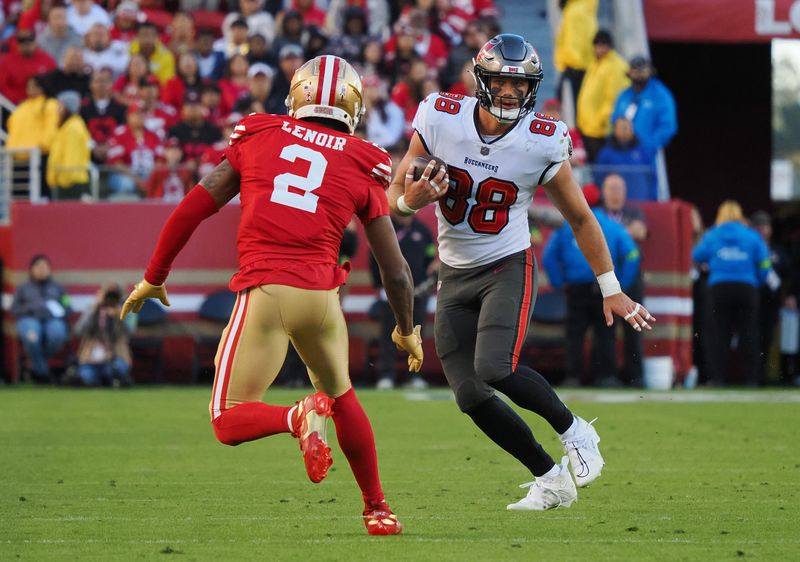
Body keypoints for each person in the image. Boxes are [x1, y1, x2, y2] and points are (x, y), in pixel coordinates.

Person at [120, 55, 421, 535]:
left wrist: (155, 275)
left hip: (267, 289)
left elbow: (190, 210)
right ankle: (378, 509)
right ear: (354, 105)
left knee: (226, 418)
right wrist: (407, 331)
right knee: (342, 396)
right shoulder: (364, 160)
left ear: (297, 93)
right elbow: (397, 271)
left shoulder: (259, 133)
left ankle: (296, 415)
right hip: (322, 300)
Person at [387, 33, 653, 511]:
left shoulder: (543, 138)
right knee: (469, 394)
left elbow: (580, 218)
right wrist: (410, 200)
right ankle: (550, 479)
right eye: (501, 82)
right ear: (481, 80)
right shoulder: (439, 116)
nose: (510, 93)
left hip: (506, 263)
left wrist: (610, 287)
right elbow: (393, 197)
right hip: (453, 270)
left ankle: (576, 432)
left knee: (495, 366)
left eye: (520, 84)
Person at [543, 183, 640, 387]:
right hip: (605, 289)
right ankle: (606, 377)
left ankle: (573, 377)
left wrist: (559, 283)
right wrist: (621, 284)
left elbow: (548, 258)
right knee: (606, 334)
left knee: (574, 335)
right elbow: (632, 254)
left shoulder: (565, 227)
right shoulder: (612, 226)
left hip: (575, 289)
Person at [692, 200, 771, 386]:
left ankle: (717, 378)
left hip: (719, 289)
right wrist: (757, 281)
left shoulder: (712, 235)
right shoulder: (752, 236)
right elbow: (765, 263)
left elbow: (695, 256)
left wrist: (709, 266)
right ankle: (751, 379)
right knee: (749, 333)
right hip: (747, 289)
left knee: (717, 335)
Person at [369, 212, 436, 390]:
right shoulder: (387, 228)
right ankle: (386, 374)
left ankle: (414, 375)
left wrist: (433, 268)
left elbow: (430, 254)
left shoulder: (421, 230)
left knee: (416, 334)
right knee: (388, 335)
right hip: (391, 292)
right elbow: (374, 257)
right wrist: (380, 285)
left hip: (419, 292)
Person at [601, 174, 648, 385]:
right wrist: (624, 233)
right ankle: (608, 376)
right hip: (607, 278)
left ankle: (635, 376)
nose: (615, 193)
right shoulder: (598, 213)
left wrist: (613, 235)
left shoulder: (634, 212)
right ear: (604, 192)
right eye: (611, 188)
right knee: (607, 329)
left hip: (630, 279)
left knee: (634, 328)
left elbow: (641, 231)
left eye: (619, 188)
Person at [12, 255, 72, 383]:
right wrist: (32, 307)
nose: (41, 270)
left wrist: (57, 309)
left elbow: (68, 307)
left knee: (57, 334)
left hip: (53, 320)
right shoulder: (23, 289)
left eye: (44, 267)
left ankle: (37, 368)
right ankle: (43, 373)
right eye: (38, 267)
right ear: (31, 269)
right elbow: (15, 309)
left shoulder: (58, 288)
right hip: (29, 320)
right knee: (32, 337)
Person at [576, 30, 629, 162]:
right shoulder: (596, 63)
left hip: (601, 130)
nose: (600, 48)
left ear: (610, 46)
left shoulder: (615, 66)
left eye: (603, 44)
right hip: (589, 127)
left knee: (602, 166)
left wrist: (602, 120)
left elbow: (614, 97)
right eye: (597, 44)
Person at [749, 210, 789, 384]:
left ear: (770, 229)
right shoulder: (747, 248)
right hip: (750, 301)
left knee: (768, 340)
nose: (761, 230)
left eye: (764, 226)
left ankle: (766, 376)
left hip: (771, 304)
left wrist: (788, 296)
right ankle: (752, 377)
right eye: (757, 226)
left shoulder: (777, 252)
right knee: (751, 340)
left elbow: (788, 275)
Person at [610, 56, 677, 157]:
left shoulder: (660, 95)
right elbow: (614, 120)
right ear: (630, 72)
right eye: (636, 70)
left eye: (643, 70)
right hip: (621, 152)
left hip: (644, 155)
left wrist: (648, 146)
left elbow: (668, 126)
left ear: (650, 71)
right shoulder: (624, 95)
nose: (639, 74)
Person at [75, 284, 133, 387]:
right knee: (87, 377)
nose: (109, 300)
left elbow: (130, 332)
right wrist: (94, 309)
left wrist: (119, 316)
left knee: (118, 368)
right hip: (91, 356)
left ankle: (112, 379)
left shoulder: (124, 310)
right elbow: (79, 330)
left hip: (114, 355)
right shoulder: (92, 309)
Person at [594, 116, 657, 201]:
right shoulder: (605, 153)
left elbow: (652, 176)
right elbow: (599, 178)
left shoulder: (643, 151)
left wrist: (653, 198)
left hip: (642, 202)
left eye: (627, 127)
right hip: (615, 203)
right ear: (615, 130)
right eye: (622, 127)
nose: (624, 130)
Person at [47, 91, 92, 200]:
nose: (57, 110)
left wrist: (63, 180)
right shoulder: (68, 126)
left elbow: (72, 158)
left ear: (68, 108)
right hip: (67, 181)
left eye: (60, 106)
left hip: (70, 184)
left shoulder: (73, 128)